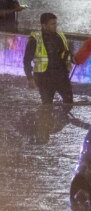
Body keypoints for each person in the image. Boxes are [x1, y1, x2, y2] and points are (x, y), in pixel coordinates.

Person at [24, 13, 74, 144]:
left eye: (56, 23)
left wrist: (72, 58)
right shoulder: (35, 39)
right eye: (52, 24)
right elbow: (26, 60)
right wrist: (29, 78)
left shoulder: (60, 36)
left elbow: (65, 53)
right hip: (44, 78)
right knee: (47, 105)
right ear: (44, 25)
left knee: (69, 102)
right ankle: (43, 132)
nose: (55, 26)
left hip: (61, 75)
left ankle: (55, 123)